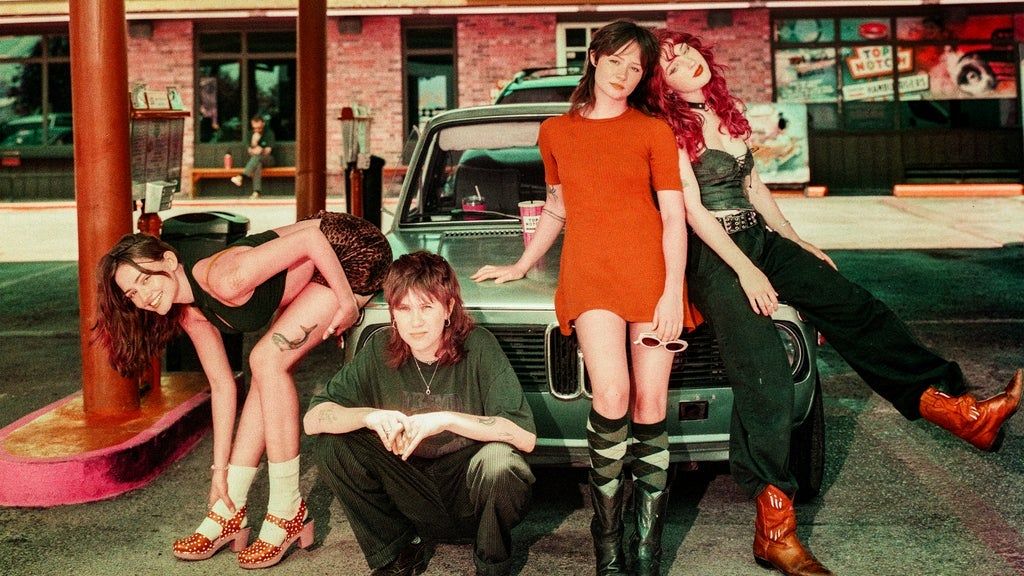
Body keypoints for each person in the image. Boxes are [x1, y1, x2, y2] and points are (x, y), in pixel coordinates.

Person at [648, 28, 1022, 576]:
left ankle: (958, 413)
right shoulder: (667, 128)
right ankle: (775, 528)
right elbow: (694, 213)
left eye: (687, 52)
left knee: (854, 306)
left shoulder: (724, 110)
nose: (687, 63)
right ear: (661, 84)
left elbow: (754, 190)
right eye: (672, 64)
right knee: (764, 369)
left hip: (758, 238)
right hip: (713, 256)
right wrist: (747, 270)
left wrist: (796, 242)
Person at [472, 20, 695, 576]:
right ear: (594, 57)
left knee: (650, 404)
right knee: (612, 394)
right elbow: (557, 207)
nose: (624, 74)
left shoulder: (653, 131)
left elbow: (674, 216)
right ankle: (608, 538)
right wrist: (522, 264)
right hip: (590, 275)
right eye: (616, 60)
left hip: (651, 275)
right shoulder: (555, 131)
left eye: (636, 67)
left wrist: (673, 292)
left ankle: (646, 543)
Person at [94, 210, 392, 569]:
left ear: (169, 261)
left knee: (267, 360)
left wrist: (347, 303)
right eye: (132, 293)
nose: (143, 296)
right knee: (264, 368)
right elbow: (222, 387)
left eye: (144, 280)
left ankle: (288, 510)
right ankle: (229, 508)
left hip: (351, 251)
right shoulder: (190, 311)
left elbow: (312, 238)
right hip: (313, 260)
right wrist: (219, 472)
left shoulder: (224, 278)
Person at [304, 251, 536, 576]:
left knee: (500, 462)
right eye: (405, 309)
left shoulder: (479, 345)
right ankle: (398, 552)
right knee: (333, 444)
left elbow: (524, 437)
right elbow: (313, 419)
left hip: (469, 494)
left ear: (448, 308)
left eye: (426, 307)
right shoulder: (379, 348)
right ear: (393, 314)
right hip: (410, 488)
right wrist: (369, 416)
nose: (416, 322)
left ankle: (492, 564)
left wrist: (446, 419)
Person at [232, 115, 275, 199]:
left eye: (259, 128)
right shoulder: (250, 134)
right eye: (255, 128)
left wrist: (260, 150)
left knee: (257, 158)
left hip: (269, 159)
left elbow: (268, 151)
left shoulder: (269, 133)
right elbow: (250, 152)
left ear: (263, 124)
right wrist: (254, 143)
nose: (257, 130)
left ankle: (241, 176)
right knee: (257, 164)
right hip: (256, 160)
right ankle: (256, 192)